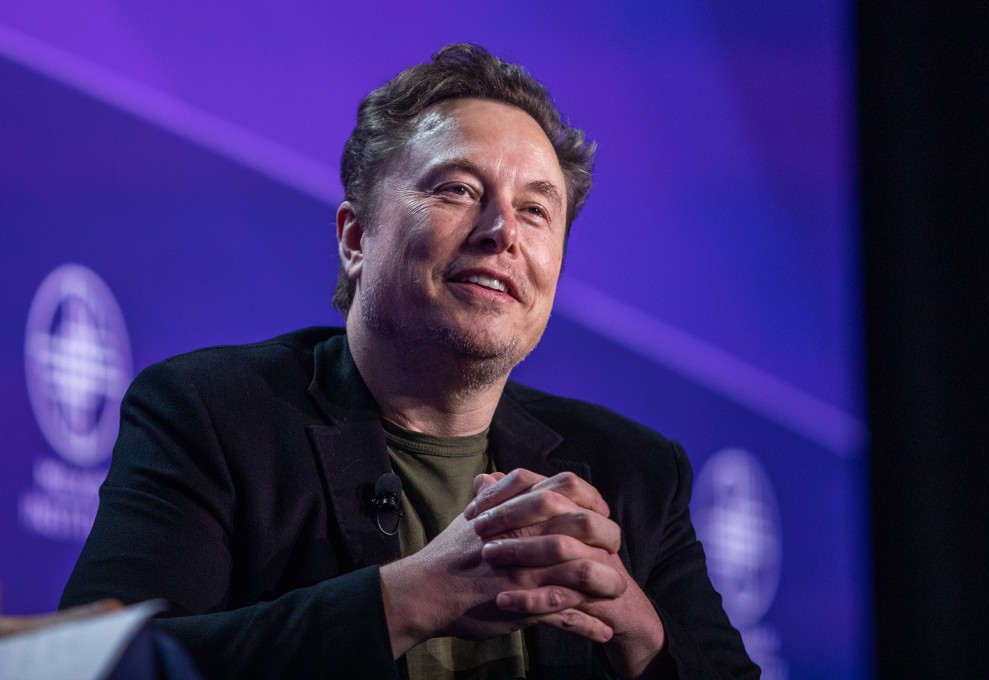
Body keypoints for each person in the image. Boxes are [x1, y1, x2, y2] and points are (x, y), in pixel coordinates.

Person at [60, 44, 759, 679]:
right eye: (456, 189)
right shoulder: (210, 414)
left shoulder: (632, 472)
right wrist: (409, 598)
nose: (502, 233)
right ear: (356, 237)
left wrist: (636, 624)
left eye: (536, 210)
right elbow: (100, 668)